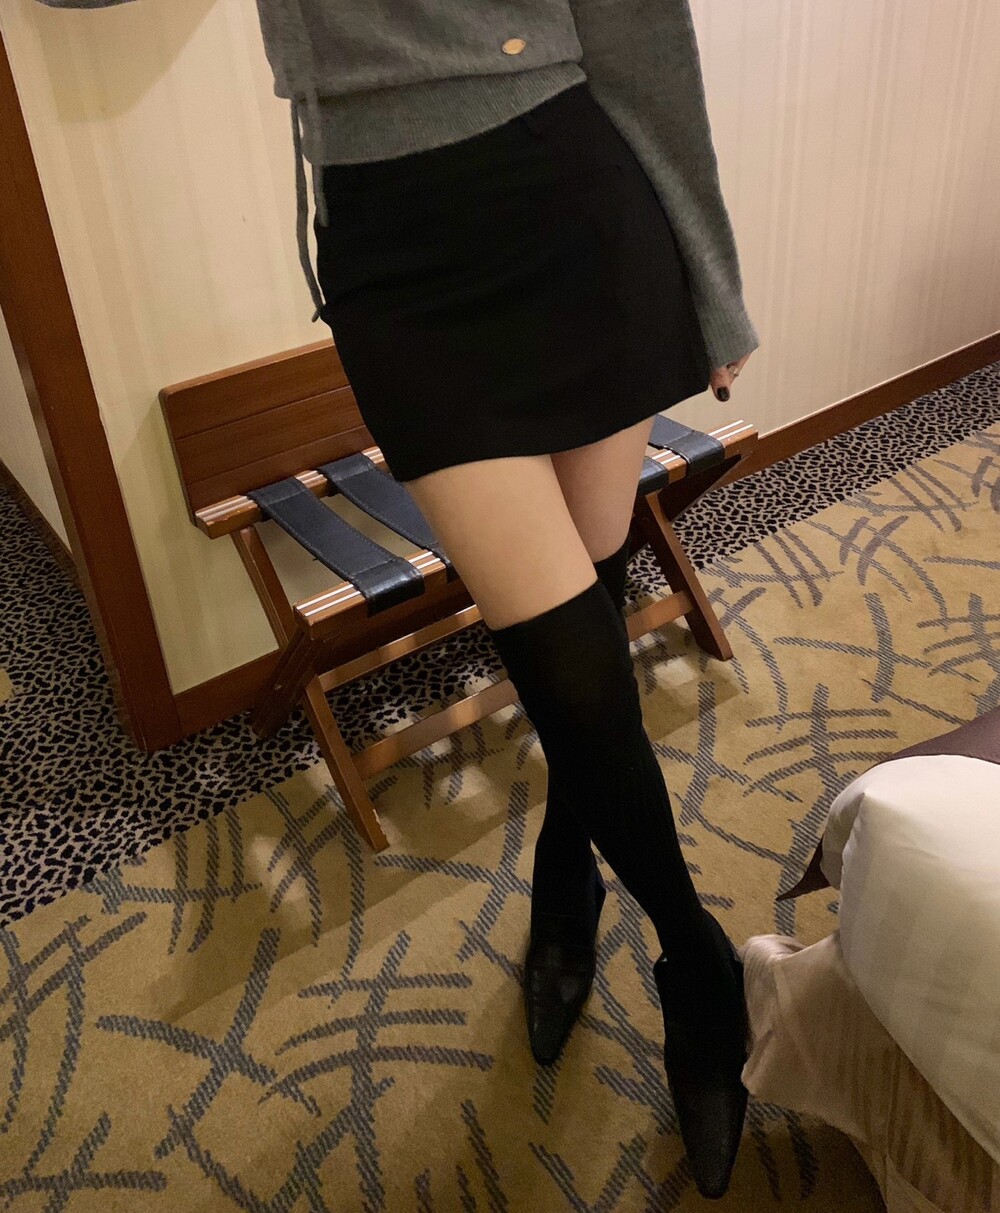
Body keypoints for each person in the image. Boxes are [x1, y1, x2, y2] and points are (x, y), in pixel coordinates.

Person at [37, 0, 759, 1197]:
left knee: (583, 613)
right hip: (393, 251)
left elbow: (638, 25)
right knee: (559, 652)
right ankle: (700, 962)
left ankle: (569, 864)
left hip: (572, 199)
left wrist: (712, 283)